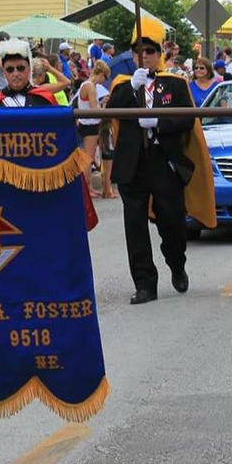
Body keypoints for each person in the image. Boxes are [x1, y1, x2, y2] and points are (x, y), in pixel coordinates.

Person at [107, 36, 196, 305]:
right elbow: (111, 111)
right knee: (134, 225)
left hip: (163, 159)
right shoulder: (124, 85)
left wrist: (159, 120)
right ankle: (145, 283)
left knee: (172, 219)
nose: (144, 56)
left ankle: (176, 261)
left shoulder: (174, 83)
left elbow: (187, 118)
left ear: (159, 54)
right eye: (138, 52)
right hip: (133, 162)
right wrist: (130, 89)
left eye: (149, 51)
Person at [0, 40, 57, 108]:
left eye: (21, 68)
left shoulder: (44, 98)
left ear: (29, 69)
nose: (16, 74)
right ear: (4, 72)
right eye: (10, 69)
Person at [76, 62, 111, 198]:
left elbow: (89, 105)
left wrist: (100, 103)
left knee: (88, 158)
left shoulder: (86, 85)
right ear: (102, 75)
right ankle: (86, 188)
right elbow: (93, 109)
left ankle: (88, 187)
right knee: (88, 159)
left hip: (87, 123)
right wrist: (104, 108)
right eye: (105, 78)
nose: (104, 82)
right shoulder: (91, 86)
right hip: (90, 124)